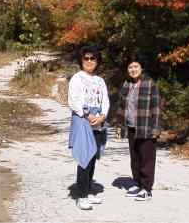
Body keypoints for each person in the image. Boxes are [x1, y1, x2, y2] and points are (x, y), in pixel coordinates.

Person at [68, 46, 110, 210]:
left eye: (93, 58)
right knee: (84, 158)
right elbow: (73, 100)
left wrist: (103, 116)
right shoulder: (77, 78)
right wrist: (87, 115)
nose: (90, 61)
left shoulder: (100, 81)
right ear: (81, 60)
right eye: (86, 58)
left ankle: (88, 190)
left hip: (98, 123)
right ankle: (81, 195)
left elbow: (105, 101)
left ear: (97, 61)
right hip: (83, 121)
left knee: (93, 157)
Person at [115, 55, 161, 201]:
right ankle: (137, 183)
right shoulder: (126, 84)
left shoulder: (149, 83)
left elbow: (156, 107)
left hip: (146, 126)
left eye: (136, 66)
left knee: (146, 158)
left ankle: (147, 188)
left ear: (141, 68)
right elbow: (121, 107)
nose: (133, 69)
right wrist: (119, 126)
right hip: (131, 127)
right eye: (130, 67)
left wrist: (156, 129)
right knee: (135, 157)